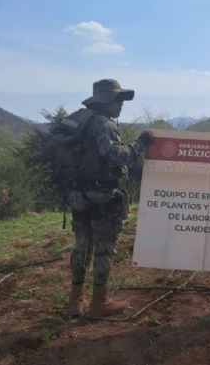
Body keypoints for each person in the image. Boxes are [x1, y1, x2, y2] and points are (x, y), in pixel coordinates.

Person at [66, 79, 155, 318]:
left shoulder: (79, 121)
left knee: (81, 246)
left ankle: (75, 302)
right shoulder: (103, 124)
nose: (121, 105)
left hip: (77, 195)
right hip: (103, 197)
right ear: (105, 101)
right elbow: (117, 157)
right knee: (104, 248)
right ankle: (99, 303)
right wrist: (140, 143)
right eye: (117, 99)